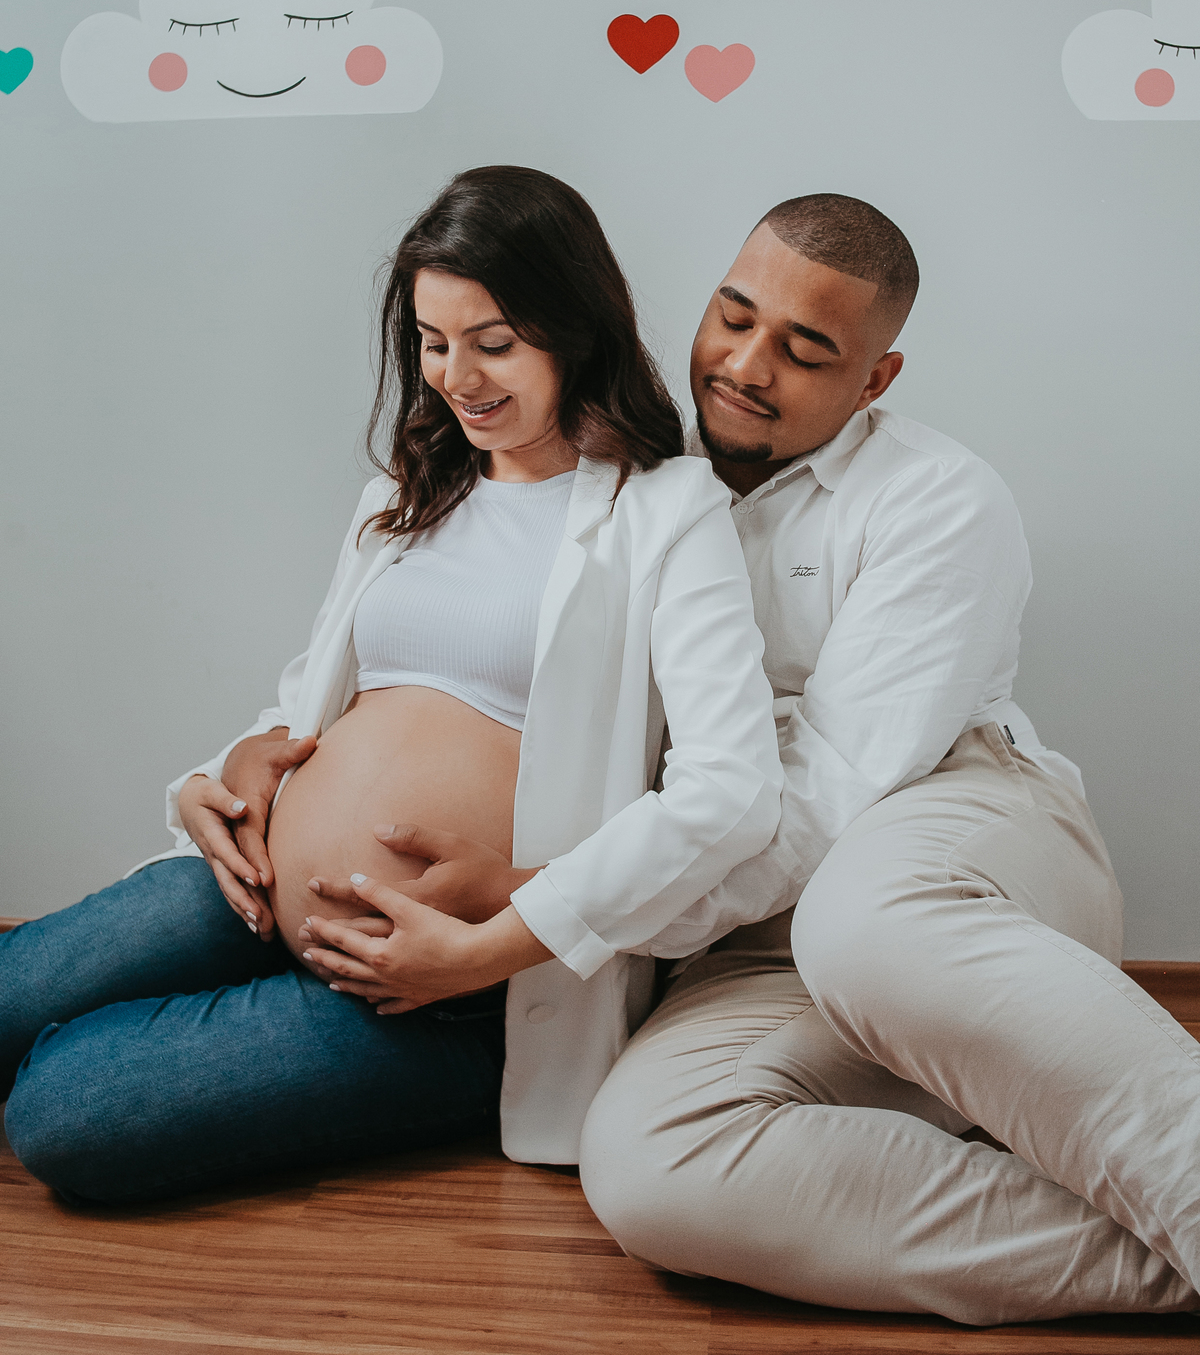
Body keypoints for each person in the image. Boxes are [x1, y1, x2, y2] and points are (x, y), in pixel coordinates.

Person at [0, 166, 783, 1204]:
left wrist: (506, 930)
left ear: (575, 329)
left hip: (450, 981)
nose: (457, 376)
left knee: (61, 1114)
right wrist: (221, 771)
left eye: (493, 342)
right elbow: (313, 697)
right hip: (246, 884)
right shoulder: (406, 493)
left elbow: (731, 791)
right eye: (432, 340)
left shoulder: (666, 509)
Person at [577, 194, 1200, 1325]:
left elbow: (829, 797)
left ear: (875, 381)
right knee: (644, 1167)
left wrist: (601, 916)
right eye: (733, 316)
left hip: (953, 840)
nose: (745, 365)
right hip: (753, 939)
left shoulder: (936, 496)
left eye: (805, 351)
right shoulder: (633, 483)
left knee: (864, 924)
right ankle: (1164, 1261)